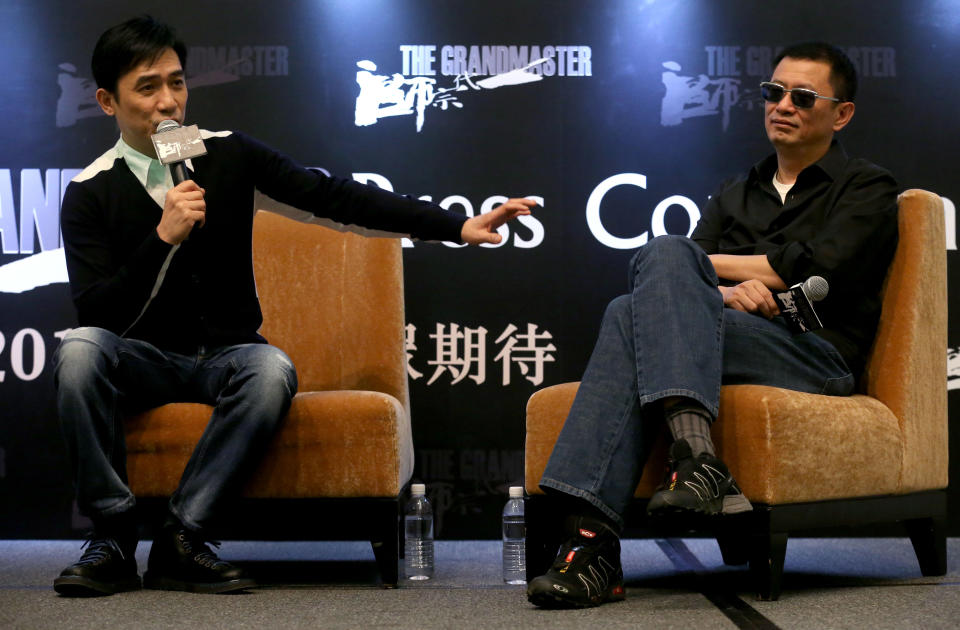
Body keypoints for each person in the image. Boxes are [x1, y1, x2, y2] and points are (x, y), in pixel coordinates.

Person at [52, 15, 535, 597]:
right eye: (147, 87)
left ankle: (183, 537)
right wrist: (163, 237)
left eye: (177, 83)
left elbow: (333, 196)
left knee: (271, 368)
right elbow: (98, 314)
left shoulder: (225, 155)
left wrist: (455, 224)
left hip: (226, 355)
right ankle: (111, 537)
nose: (167, 104)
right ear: (108, 101)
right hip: (144, 360)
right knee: (79, 351)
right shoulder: (89, 190)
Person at [527, 42, 899, 608]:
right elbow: (678, 272)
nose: (783, 106)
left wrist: (723, 276)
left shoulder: (867, 187)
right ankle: (696, 465)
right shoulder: (735, 192)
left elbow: (819, 273)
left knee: (630, 311)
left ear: (840, 112)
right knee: (658, 270)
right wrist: (724, 292)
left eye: (803, 97)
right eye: (773, 93)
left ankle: (592, 548)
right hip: (733, 336)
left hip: (815, 355)